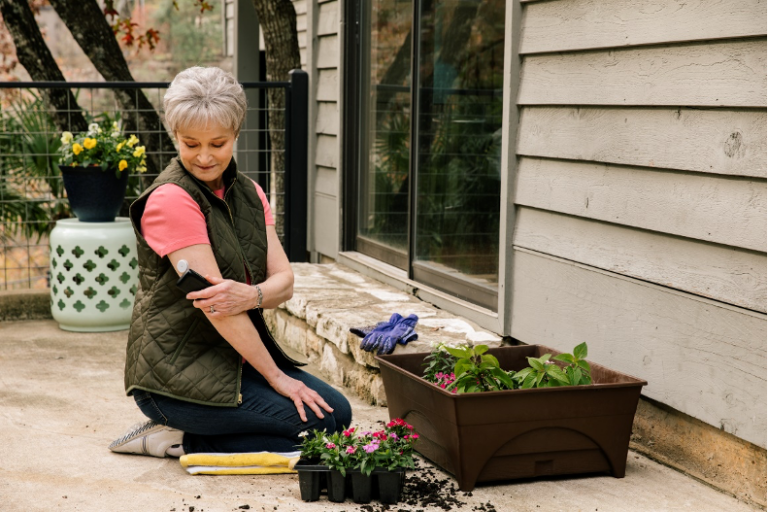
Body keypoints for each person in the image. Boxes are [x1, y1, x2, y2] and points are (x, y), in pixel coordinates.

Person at [109, 66, 351, 458]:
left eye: (218, 143)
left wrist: (251, 295)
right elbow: (218, 307)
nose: (204, 157)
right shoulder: (171, 200)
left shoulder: (251, 194)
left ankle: (194, 435)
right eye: (190, 144)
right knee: (316, 429)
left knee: (337, 414)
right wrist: (277, 378)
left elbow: (285, 282)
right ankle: (174, 437)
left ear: (236, 134)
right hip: (174, 378)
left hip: (233, 362)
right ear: (175, 137)